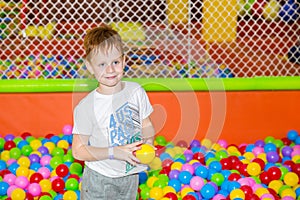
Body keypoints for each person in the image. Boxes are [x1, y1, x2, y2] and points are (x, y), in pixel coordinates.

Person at [71, 25, 155, 199]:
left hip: (130, 175)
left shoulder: (136, 92)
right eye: (102, 64)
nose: (110, 70)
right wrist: (114, 152)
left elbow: (146, 124)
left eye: (115, 62)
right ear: (90, 66)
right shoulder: (86, 107)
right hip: (99, 179)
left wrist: (148, 142)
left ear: (124, 61)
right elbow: (78, 151)